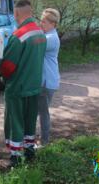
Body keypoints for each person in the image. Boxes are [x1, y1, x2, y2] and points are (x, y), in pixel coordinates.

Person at [0, 0, 46, 167]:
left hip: (17, 87)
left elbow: (7, 66)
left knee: (15, 122)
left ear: (16, 14)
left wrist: (2, 76)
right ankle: (30, 151)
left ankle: (16, 156)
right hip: (34, 86)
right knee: (30, 120)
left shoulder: (18, 36)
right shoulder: (40, 32)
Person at [38, 8, 61, 145]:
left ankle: (44, 142)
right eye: (41, 21)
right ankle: (40, 141)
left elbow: (34, 43)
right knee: (41, 112)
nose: (41, 24)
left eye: (44, 22)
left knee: (43, 113)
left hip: (46, 82)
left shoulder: (50, 38)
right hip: (47, 80)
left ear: (53, 23)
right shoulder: (47, 35)